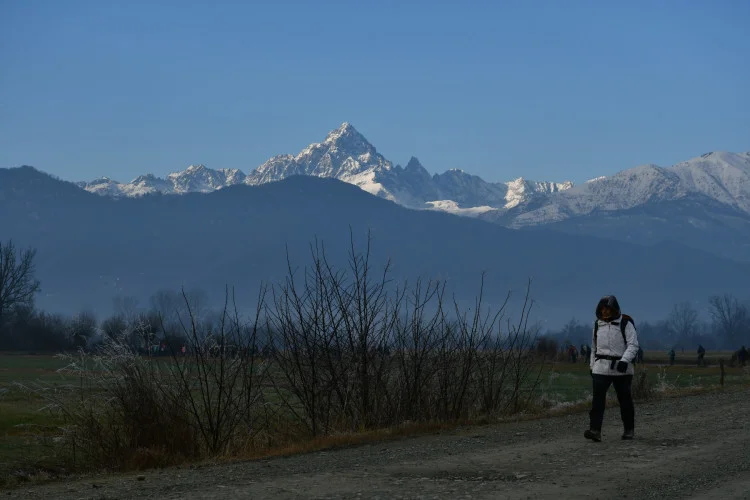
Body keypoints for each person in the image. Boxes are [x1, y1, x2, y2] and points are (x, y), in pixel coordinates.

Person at [585, 295, 639, 442]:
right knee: (597, 401)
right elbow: (594, 348)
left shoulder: (625, 323)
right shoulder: (597, 325)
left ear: (614, 309)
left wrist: (625, 360)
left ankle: (629, 430)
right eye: (602, 309)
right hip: (601, 368)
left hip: (622, 369)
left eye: (608, 309)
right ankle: (595, 430)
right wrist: (592, 366)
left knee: (625, 400)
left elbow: (633, 345)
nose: (605, 312)